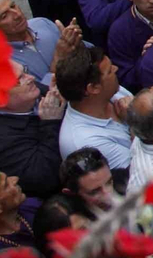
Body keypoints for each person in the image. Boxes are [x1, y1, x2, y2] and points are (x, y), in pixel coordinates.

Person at [0, 65, 66, 199]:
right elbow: (44, 178)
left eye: (25, 71)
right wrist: (51, 123)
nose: (31, 78)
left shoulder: (27, 93)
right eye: (20, 80)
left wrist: (64, 92)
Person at [55, 45, 134, 178]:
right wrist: (136, 123)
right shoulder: (87, 142)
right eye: (109, 71)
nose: (116, 69)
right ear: (93, 88)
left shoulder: (112, 91)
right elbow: (139, 174)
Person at [60, 146, 116, 217]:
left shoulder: (127, 182)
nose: (108, 195)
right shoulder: (73, 226)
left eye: (109, 182)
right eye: (94, 192)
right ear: (71, 194)